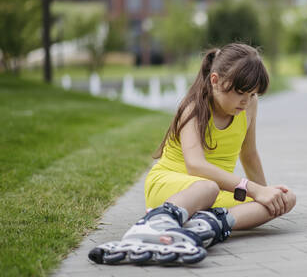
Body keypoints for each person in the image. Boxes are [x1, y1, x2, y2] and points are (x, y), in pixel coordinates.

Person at [89, 43, 296, 265]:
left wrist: (264, 194)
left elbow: (249, 153)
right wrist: (253, 190)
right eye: (239, 92)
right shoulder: (194, 108)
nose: (245, 101)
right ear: (215, 80)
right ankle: (158, 221)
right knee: (207, 186)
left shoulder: (249, 106)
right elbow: (195, 166)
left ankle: (206, 227)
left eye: (252, 93)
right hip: (174, 187)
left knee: (285, 197)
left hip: (215, 192)